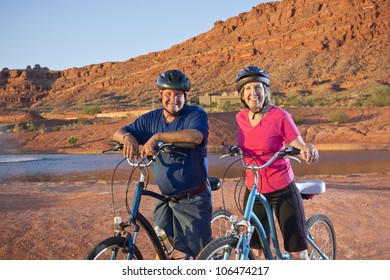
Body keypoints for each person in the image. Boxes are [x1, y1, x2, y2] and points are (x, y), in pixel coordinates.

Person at [112, 69, 212, 258]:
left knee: (199, 256)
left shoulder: (195, 114)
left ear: (185, 95)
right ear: (160, 94)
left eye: (178, 94)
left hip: (193, 199)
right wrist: (128, 138)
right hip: (165, 199)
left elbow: (196, 136)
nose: (173, 99)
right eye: (168, 94)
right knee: (163, 250)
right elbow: (119, 131)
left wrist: (157, 137)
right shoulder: (151, 118)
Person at [232, 65, 319, 260]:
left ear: (265, 91)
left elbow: (297, 142)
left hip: (281, 189)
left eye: (257, 88)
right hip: (253, 187)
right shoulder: (240, 118)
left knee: (296, 252)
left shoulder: (280, 116)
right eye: (247, 89)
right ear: (242, 94)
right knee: (255, 249)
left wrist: (306, 148)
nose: (253, 93)